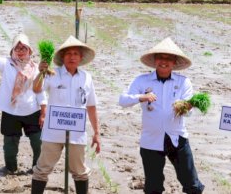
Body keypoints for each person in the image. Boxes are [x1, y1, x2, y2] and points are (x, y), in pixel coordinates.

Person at [119, 37, 205, 194]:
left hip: (177, 138)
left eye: (168, 59)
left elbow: (189, 112)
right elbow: (123, 101)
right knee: (153, 187)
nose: (163, 62)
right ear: (154, 60)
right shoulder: (142, 81)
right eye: (160, 58)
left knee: (192, 185)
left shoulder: (184, 82)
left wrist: (185, 107)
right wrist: (141, 97)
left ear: (174, 62)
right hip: (151, 140)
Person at [31, 36, 100, 194]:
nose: (72, 57)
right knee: (41, 170)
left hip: (77, 133)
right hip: (53, 132)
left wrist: (97, 133)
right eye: (68, 54)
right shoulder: (52, 74)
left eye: (76, 53)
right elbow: (36, 89)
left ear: (81, 58)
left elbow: (91, 106)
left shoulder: (86, 78)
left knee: (80, 172)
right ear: (62, 57)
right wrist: (40, 73)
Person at [0, 30, 46, 174]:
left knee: (37, 141)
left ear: (29, 50)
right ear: (13, 50)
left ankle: (37, 168)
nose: (20, 51)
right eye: (17, 48)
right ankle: (10, 168)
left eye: (24, 48)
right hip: (11, 111)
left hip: (32, 110)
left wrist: (43, 113)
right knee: (9, 144)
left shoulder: (35, 68)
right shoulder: (6, 64)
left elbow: (40, 91)